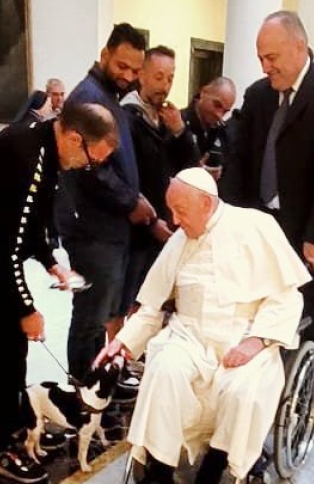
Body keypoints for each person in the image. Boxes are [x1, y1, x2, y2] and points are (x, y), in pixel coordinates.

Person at [96, 167, 311, 483]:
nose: (174, 221)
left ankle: (216, 464)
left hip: (245, 336)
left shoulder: (257, 226)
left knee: (244, 391)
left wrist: (257, 341)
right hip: (189, 336)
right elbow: (151, 306)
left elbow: (286, 296)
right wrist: (123, 343)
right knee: (163, 372)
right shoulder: (180, 240)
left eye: (180, 211)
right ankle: (160, 468)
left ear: (206, 204)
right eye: (170, 210)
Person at [0, 102, 117, 483]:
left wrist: (50, 261)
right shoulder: (25, 157)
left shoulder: (46, 149)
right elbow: (5, 248)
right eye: (91, 159)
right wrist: (26, 308)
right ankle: (2, 445)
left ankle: (18, 430)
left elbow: (32, 223)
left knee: (14, 354)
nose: (87, 166)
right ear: (76, 138)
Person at [227, 11, 314, 370]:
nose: (265, 67)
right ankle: (257, 389)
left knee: (299, 317)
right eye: (260, 58)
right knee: (259, 313)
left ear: (299, 47)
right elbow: (240, 162)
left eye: (272, 58)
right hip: (264, 226)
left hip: (310, 232)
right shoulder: (258, 95)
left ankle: (294, 396)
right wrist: (228, 220)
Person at [56, 22, 156, 380]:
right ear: (105, 56)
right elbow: (90, 169)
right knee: (90, 316)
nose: (128, 75)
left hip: (109, 227)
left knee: (100, 317)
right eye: (121, 66)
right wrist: (132, 201)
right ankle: (83, 392)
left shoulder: (108, 96)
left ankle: (95, 389)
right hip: (92, 228)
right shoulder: (89, 98)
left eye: (134, 70)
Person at [120, 44, 197, 318]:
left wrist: (180, 132)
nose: (165, 85)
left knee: (155, 299)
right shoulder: (127, 116)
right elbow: (127, 177)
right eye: (159, 76)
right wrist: (150, 221)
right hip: (136, 225)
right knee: (129, 299)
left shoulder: (166, 118)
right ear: (141, 75)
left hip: (163, 223)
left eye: (171, 78)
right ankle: (123, 355)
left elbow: (189, 169)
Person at [181, 76, 236, 182]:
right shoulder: (178, 123)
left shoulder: (223, 133)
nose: (219, 115)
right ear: (203, 92)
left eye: (225, 111)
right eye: (217, 105)